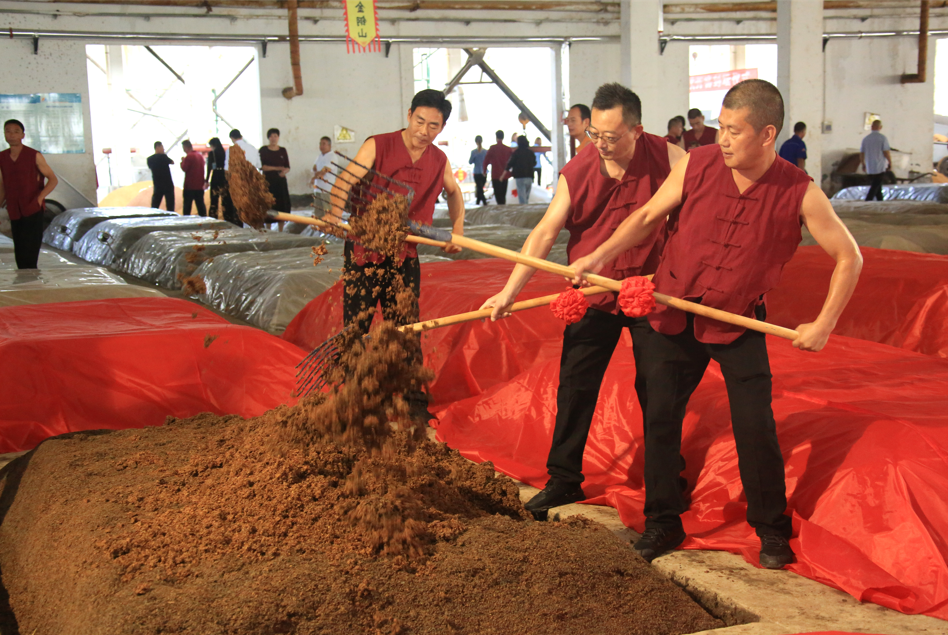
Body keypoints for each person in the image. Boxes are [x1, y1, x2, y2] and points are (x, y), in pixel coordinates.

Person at [570, 79, 863, 570]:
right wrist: (598, 258)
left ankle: (770, 529)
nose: (721, 139)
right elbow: (646, 216)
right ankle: (662, 520)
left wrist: (824, 323)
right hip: (672, 308)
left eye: (734, 131)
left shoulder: (799, 191)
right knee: (659, 416)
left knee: (755, 426)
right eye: (721, 127)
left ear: (767, 134)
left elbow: (848, 257)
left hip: (737, 317)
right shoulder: (698, 164)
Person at [480, 83, 686, 518]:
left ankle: (667, 483)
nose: (602, 144)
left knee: (659, 389)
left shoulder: (669, 157)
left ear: (637, 130)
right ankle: (564, 479)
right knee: (576, 384)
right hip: (593, 292)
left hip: (648, 290)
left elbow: (691, 210)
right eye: (595, 134)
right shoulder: (578, 169)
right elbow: (545, 233)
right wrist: (509, 291)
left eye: (612, 136)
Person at [324, 89, 465, 424]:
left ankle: (414, 403)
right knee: (355, 327)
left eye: (433, 125)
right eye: (420, 121)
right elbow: (346, 179)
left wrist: (457, 230)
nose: (424, 130)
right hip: (365, 251)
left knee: (407, 328)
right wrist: (334, 213)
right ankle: (352, 400)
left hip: (404, 256)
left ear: (441, 128)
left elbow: (454, 192)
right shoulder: (379, 144)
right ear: (409, 115)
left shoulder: (438, 160)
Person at [0, 119, 58, 269]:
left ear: (22, 135)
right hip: (13, 208)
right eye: (8, 131)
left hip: (32, 207)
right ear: (4, 134)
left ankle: (32, 282)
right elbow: (2, 185)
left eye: (16, 131)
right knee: (19, 248)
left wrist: (39, 198)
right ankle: (24, 283)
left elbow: (53, 180)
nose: (11, 134)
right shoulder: (2, 157)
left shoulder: (33, 155)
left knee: (30, 249)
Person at [260, 127, 291, 230]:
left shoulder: (282, 150)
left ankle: (281, 229)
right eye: (271, 136)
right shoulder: (264, 150)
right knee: (269, 205)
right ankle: (268, 228)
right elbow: (263, 166)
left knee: (281, 205)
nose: (273, 138)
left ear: (278, 137)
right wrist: (277, 168)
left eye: (275, 136)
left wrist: (284, 171)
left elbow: (287, 167)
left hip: (280, 183)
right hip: (268, 182)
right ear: (268, 138)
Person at [860, 119, 891, 201]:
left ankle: (880, 200)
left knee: (877, 185)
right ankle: (868, 200)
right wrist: (890, 162)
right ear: (880, 127)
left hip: (869, 165)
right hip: (880, 165)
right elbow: (886, 152)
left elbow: (862, 153)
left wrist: (863, 164)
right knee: (875, 185)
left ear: (871, 127)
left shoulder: (866, 139)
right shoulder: (882, 138)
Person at [484, 130, 514, 205]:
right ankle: (503, 208)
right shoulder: (508, 149)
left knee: (498, 195)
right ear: (503, 137)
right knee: (503, 195)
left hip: (495, 175)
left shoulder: (492, 148)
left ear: (496, 137)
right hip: (505, 175)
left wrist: (484, 171)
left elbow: (486, 161)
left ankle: (500, 210)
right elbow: (512, 162)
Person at [311, 136, 339, 216]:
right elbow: (314, 168)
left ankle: (329, 227)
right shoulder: (319, 156)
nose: (321, 146)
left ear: (329, 146)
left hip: (327, 188)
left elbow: (324, 170)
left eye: (324, 144)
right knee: (318, 211)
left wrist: (315, 176)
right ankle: (320, 227)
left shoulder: (332, 156)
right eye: (320, 144)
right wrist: (317, 174)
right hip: (318, 188)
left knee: (327, 210)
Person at [180, 140, 207, 217]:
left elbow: (184, 168)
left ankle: (186, 222)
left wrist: (182, 162)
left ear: (185, 147)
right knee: (200, 205)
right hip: (199, 185)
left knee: (187, 207)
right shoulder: (200, 156)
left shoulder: (189, 156)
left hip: (190, 186)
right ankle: (205, 220)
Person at [507, 136, 537, 204]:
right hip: (529, 176)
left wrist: (505, 171)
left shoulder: (516, 153)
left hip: (519, 176)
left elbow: (510, 163)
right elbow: (534, 163)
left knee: (522, 197)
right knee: (526, 196)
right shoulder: (530, 153)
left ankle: (524, 210)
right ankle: (527, 209)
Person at [147, 141, 175, 211]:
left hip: (157, 184)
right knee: (170, 205)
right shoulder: (164, 157)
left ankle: (153, 217)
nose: (163, 149)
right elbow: (172, 162)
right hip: (167, 184)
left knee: (155, 204)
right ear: (158, 147)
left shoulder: (149, 159)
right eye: (162, 147)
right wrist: (163, 154)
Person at [205, 137, 227, 221]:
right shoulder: (224, 153)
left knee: (214, 199)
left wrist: (206, 180)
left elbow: (209, 167)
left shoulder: (212, 153)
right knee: (225, 200)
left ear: (213, 145)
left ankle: (213, 218)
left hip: (216, 176)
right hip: (224, 176)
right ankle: (226, 218)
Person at [469, 135, 488, 206]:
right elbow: (488, 161)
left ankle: (480, 203)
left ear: (475, 142)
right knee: (480, 188)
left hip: (477, 172)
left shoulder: (474, 152)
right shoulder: (485, 151)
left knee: (479, 188)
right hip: (484, 172)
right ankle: (482, 202)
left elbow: (470, 162)